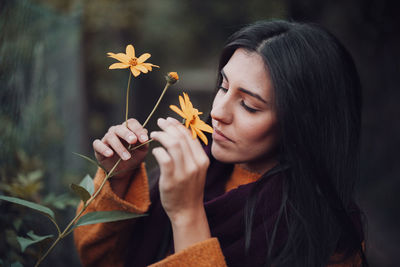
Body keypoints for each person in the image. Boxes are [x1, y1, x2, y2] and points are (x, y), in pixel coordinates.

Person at [74, 20, 368, 267]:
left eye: (249, 105)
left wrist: (187, 215)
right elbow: (96, 258)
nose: (216, 112)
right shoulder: (199, 169)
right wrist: (119, 177)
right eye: (224, 86)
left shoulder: (331, 238)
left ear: (302, 123)